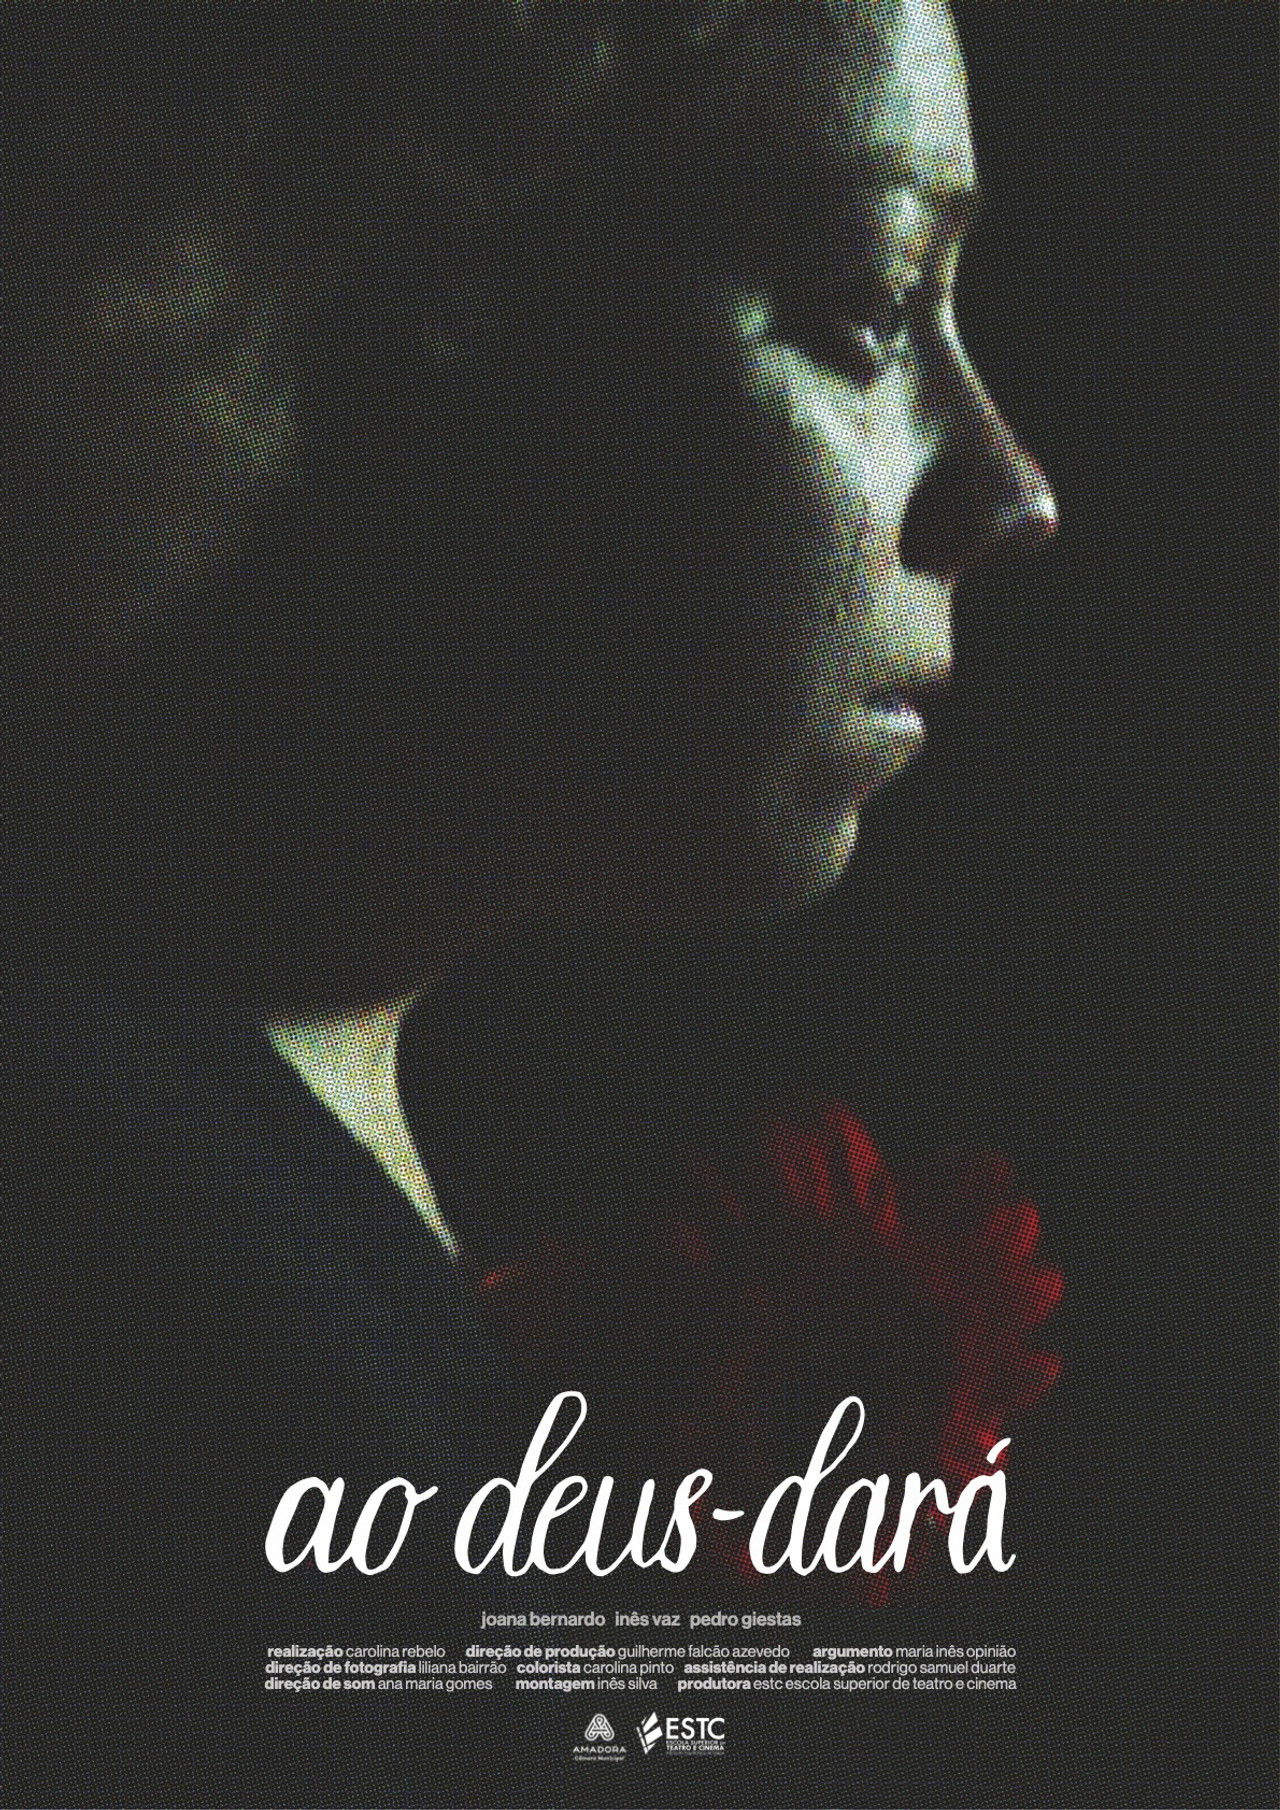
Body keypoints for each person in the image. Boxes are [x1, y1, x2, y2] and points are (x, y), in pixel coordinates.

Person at [7, 4, 1058, 1804]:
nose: (1013, 488)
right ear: (389, 309)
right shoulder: (143, 1309)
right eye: (871, 304)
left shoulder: (236, 1182)